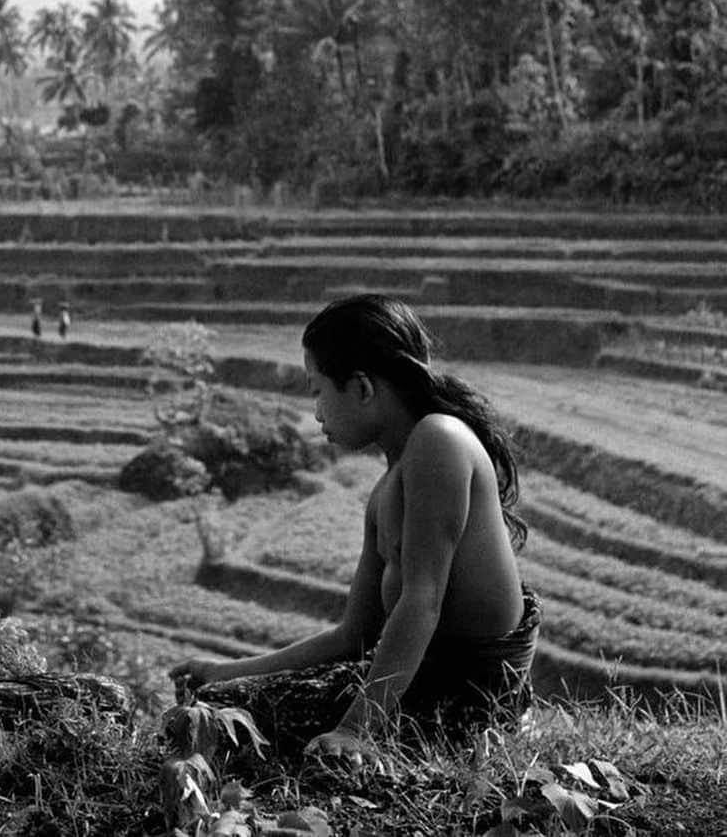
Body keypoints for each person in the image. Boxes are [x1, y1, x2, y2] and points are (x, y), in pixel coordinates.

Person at [169, 295, 540, 764]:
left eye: (317, 390)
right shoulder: (387, 490)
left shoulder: (438, 441)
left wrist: (353, 732)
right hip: (417, 685)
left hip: (468, 704)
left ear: (362, 388)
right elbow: (353, 637)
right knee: (215, 706)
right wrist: (226, 671)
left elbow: (423, 599)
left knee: (225, 726)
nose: (317, 412)